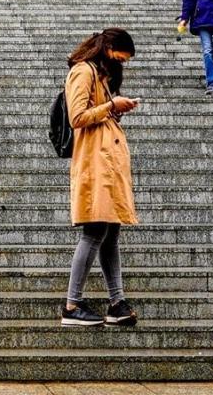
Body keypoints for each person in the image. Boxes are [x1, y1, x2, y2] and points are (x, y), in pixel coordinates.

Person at [60, 27, 140, 329]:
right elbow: (76, 117)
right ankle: (72, 304)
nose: (123, 63)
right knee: (94, 233)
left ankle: (117, 302)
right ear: (109, 48)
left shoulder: (101, 75)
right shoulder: (83, 71)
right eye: (122, 56)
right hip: (94, 165)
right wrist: (110, 106)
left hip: (107, 166)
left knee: (110, 234)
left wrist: (115, 108)